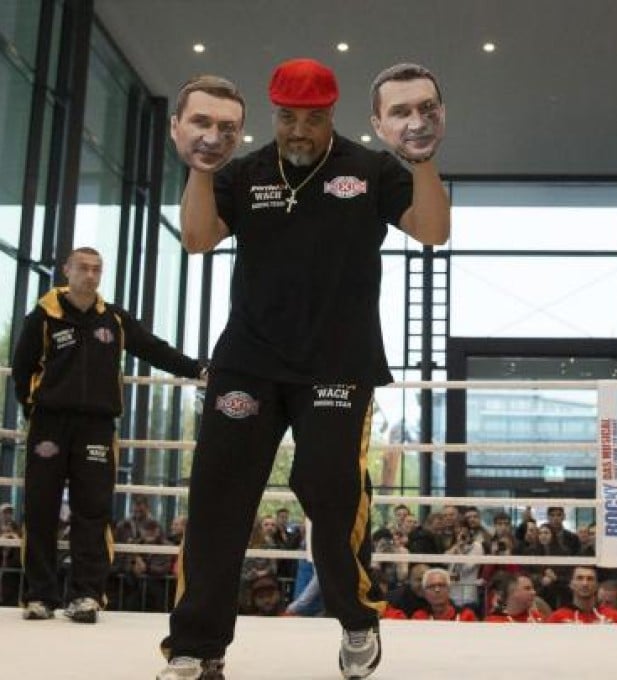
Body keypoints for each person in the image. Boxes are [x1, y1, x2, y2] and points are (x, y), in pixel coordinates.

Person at [159, 61, 448, 680]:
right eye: (288, 117)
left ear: (332, 116)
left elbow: (433, 230)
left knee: (329, 487)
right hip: (248, 363)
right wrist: (200, 169)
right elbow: (197, 238)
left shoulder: (369, 170)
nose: (299, 130)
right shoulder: (244, 171)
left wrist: (422, 162)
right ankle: (196, 648)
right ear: (273, 114)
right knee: (218, 499)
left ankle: (356, 618)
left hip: (338, 364)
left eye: (312, 119)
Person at [11, 246, 205, 624]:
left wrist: (198, 370)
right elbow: (22, 371)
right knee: (40, 507)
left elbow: (153, 348)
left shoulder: (113, 319)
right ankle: (39, 595)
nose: (90, 275)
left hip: (97, 427)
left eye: (97, 269)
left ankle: (86, 595)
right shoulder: (42, 317)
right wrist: (33, 409)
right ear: (66, 270)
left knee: (93, 511)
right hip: (48, 425)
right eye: (83, 268)